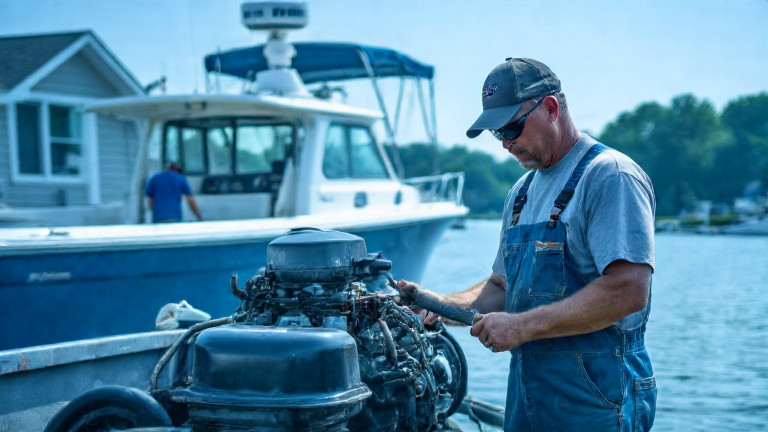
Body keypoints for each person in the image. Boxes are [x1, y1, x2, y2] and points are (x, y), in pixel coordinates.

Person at [398, 58, 657, 431]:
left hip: (599, 395)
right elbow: (503, 288)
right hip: (528, 391)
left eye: (513, 127)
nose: (505, 143)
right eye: (496, 133)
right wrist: (437, 305)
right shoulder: (520, 193)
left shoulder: (610, 176)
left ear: (550, 108)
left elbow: (628, 290)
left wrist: (520, 328)